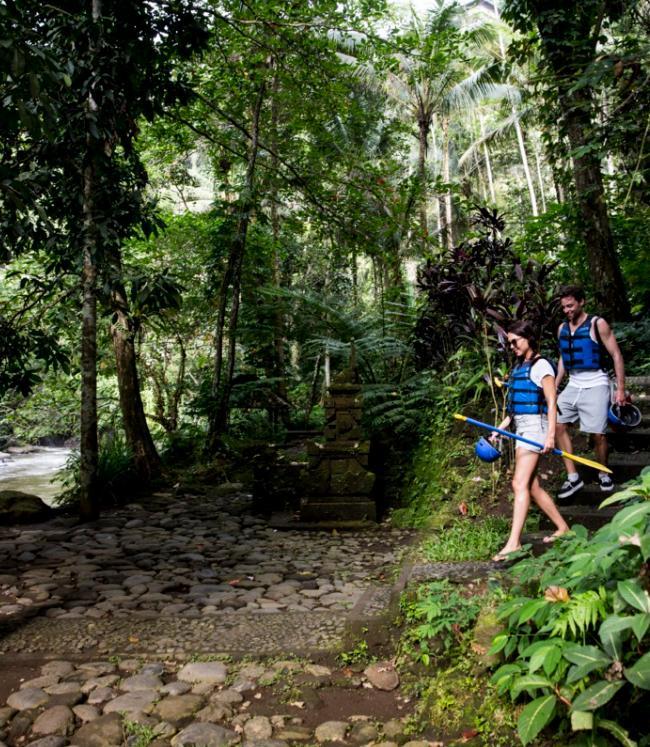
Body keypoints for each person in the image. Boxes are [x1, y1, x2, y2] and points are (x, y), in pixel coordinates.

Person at [490, 321, 569, 561]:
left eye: (515, 341)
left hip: (537, 428)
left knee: (518, 483)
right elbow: (514, 411)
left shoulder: (542, 365)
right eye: (510, 342)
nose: (511, 346)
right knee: (531, 486)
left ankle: (513, 543)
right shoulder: (519, 367)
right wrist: (499, 430)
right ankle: (563, 528)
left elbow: (551, 401)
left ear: (529, 338)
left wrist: (551, 436)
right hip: (522, 428)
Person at [554, 285, 626, 499]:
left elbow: (616, 355)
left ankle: (603, 472)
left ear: (581, 302)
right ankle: (573, 478)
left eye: (571, 305)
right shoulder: (562, 329)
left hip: (596, 381)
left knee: (598, 433)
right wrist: (555, 385)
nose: (567, 310)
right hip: (574, 383)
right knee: (557, 425)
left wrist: (620, 389)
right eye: (564, 307)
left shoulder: (597, 324)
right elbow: (563, 359)